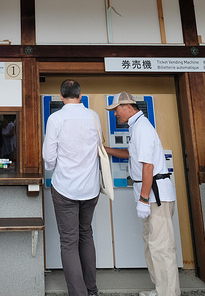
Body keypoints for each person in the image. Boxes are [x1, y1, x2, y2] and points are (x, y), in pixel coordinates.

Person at [105, 92, 180, 296]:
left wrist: (144, 199)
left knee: (162, 248)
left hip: (155, 197)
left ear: (128, 106)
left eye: (116, 110)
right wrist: (105, 150)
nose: (115, 115)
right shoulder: (137, 127)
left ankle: (169, 294)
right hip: (149, 194)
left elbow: (148, 165)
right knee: (152, 245)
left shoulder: (142, 128)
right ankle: (159, 289)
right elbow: (133, 155)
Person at [42, 79, 101, 296]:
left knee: (69, 241)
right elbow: (99, 146)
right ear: (80, 95)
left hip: (65, 187)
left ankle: (78, 293)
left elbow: (49, 157)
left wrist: (55, 168)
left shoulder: (55, 118)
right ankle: (91, 290)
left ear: (60, 96)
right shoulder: (93, 116)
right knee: (86, 234)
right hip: (90, 188)